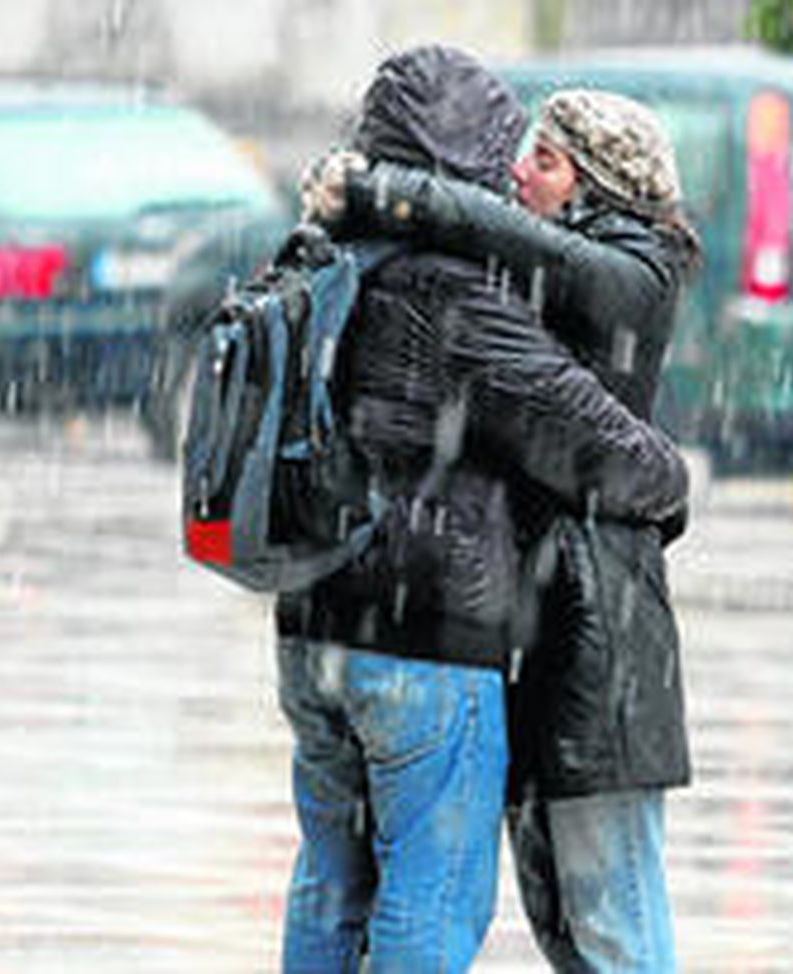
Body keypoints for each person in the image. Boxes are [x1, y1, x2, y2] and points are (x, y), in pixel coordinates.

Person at [274, 47, 690, 972]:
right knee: (432, 888)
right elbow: (593, 442)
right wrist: (672, 479)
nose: (513, 171)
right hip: (423, 633)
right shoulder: (456, 291)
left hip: (311, 618)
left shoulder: (320, 253)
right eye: (511, 150)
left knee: (330, 882)